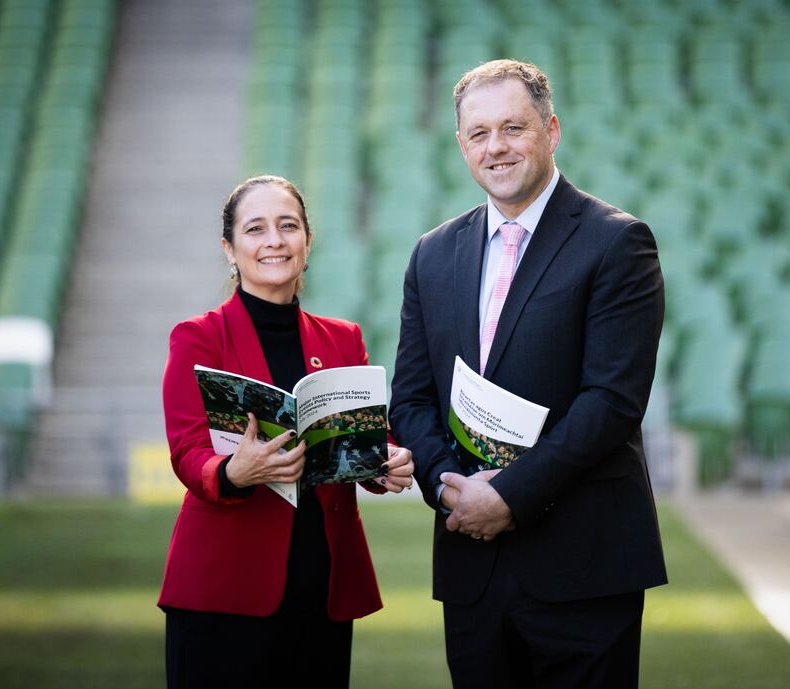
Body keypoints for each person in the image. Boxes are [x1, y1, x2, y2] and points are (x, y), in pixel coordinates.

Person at [389, 60, 667, 689]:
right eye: (479, 133)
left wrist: (510, 496)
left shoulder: (617, 242)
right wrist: (448, 485)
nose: (496, 147)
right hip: (472, 560)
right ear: (461, 144)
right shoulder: (433, 253)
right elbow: (410, 397)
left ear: (551, 130)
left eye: (513, 128)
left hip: (584, 565)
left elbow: (613, 401)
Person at [160, 174, 414, 688]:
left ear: (307, 242)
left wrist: (386, 460)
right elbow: (187, 451)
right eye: (256, 229)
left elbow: (366, 440)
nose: (274, 240)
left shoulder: (344, 339)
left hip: (320, 587)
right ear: (229, 249)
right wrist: (234, 471)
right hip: (223, 590)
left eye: (288, 226)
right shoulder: (198, 338)